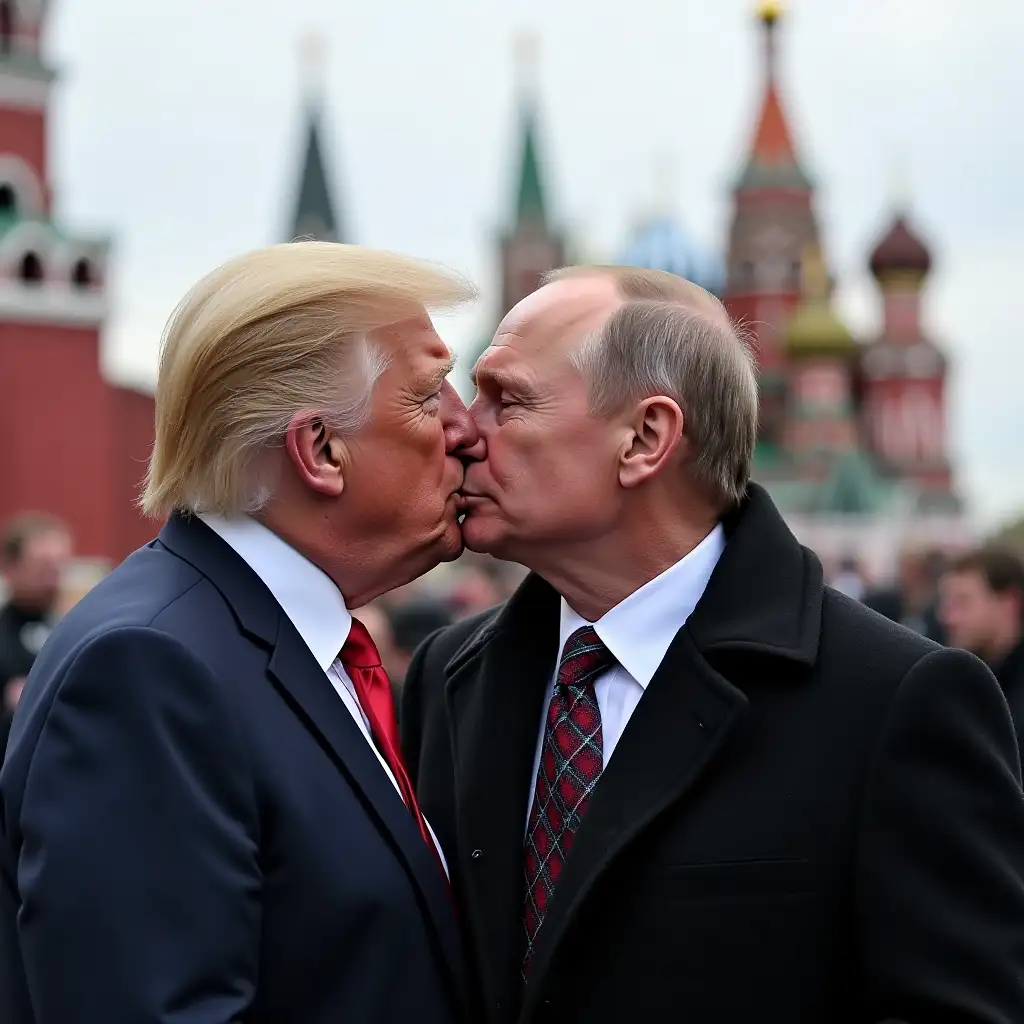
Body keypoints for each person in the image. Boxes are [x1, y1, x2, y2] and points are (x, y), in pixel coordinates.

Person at [401, 265, 1024, 1023]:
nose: (462, 430)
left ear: (645, 437)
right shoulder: (451, 676)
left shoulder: (892, 698)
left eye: (509, 401)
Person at [0, 242, 483, 1024]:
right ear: (321, 449)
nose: (467, 429)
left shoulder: (273, 642)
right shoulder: (150, 668)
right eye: (430, 397)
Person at [0, 513, 71, 757]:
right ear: (11, 567)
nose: (52, 580)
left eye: (57, 568)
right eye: (42, 568)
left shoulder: (71, 631)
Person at [940, 546, 1024, 739]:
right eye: (946, 602)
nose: (947, 617)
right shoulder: (961, 678)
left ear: (1010, 602)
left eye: (962, 602)